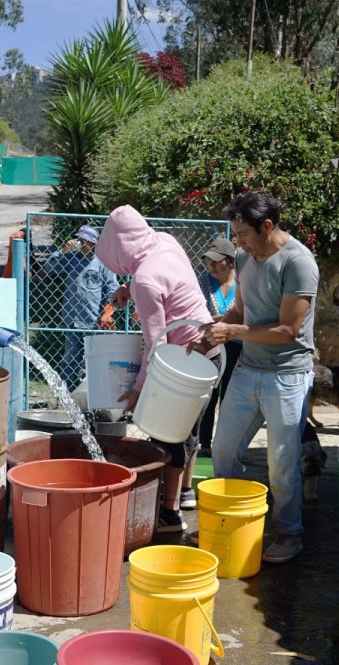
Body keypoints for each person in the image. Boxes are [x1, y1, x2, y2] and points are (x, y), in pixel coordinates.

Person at [200, 191, 318, 564]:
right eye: (235, 235)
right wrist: (212, 333)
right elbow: (239, 310)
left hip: (287, 375)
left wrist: (234, 332)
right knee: (223, 448)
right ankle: (232, 520)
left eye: (243, 234)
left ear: (267, 226)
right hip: (248, 367)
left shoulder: (298, 262)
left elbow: (288, 330)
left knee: (281, 462)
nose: (238, 243)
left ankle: (288, 533)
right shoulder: (244, 257)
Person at [96, 206, 221, 534]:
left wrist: (138, 391)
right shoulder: (165, 241)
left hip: (183, 363)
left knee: (168, 435)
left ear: (119, 246)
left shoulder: (145, 280)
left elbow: (156, 345)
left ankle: (170, 515)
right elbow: (168, 279)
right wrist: (128, 289)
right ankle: (185, 493)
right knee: (190, 432)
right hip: (210, 352)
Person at [183, 237, 242, 510]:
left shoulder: (244, 281)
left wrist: (218, 322)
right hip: (211, 347)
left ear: (230, 261)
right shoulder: (204, 281)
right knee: (208, 396)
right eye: (209, 262)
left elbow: (242, 316)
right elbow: (201, 314)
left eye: (217, 262)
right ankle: (204, 444)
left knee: (229, 397)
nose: (212, 266)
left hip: (239, 348)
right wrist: (222, 322)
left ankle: (225, 447)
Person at [42, 224, 117, 388]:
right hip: (72, 319)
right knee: (70, 358)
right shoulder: (71, 258)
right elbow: (49, 267)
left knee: (94, 358)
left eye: (87, 241)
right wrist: (62, 251)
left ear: (94, 244)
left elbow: (113, 289)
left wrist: (107, 313)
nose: (83, 244)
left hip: (94, 321)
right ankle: (67, 392)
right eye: (80, 240)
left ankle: (93, 392)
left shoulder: (103, 263)